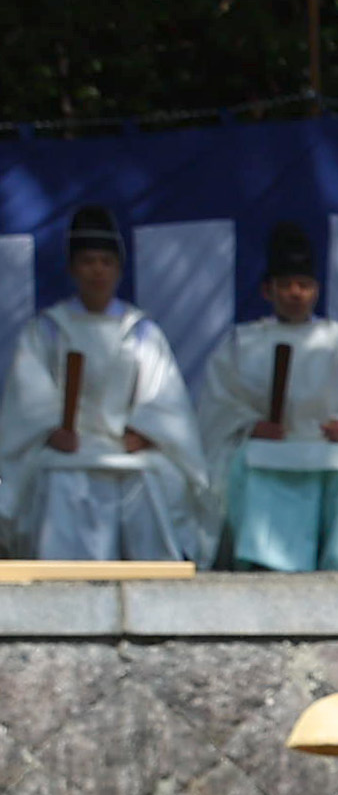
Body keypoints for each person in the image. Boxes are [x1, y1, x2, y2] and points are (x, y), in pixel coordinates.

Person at [7, 204, 204, 564]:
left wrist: (144, 431)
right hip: (68, 445)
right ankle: (62, 579)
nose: (97, 270)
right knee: (57, 476)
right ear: (72, 269)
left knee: (152, 479)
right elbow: (29, 395)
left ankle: (150, 581)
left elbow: (163, 395)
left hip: (125, 445)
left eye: (105, 262)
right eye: (87, 261)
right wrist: (53, 430)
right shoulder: (48, 329)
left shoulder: (140, 331)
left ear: (118, 269)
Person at [206, 223, 338, 573]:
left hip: (324, 440)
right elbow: (220, 403)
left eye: (304, 285)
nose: (296, 293)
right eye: (287, 285)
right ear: (269, 290)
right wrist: (250, 426)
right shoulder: (241, 343)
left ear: (316, 290)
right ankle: (265, 559)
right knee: (250, 459)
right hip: (270, 441)